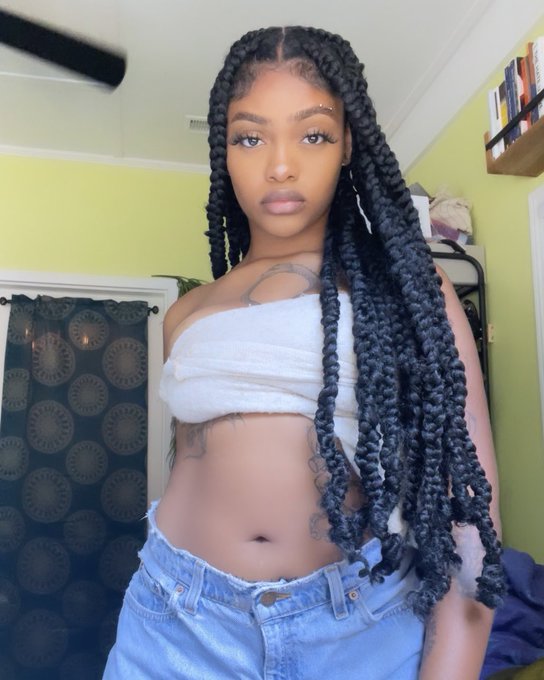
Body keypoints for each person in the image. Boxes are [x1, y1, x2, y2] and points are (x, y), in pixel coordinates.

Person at [103, 26, 505, 679]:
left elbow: (470, 520)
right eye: (250, 137)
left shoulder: (407, 288)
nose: (281, 164)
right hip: (178, 623)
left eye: (312, 134)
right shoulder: (185, 314)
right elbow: (195, 463)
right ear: (224, 151)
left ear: (347, 144)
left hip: (359, 631)